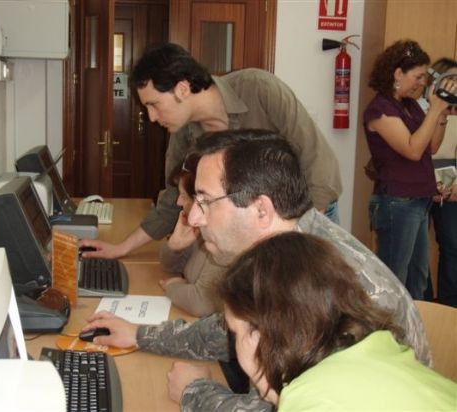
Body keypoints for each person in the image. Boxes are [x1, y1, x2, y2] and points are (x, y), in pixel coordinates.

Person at [82, 130, 432, 411]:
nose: (194, 217)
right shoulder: (288, 255)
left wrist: (195, 393)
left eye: (204, 201)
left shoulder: (318, 285)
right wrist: (141, 336)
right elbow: (227, 331)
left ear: (261, 211)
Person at [79, 42, 342, 260]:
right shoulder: (183, 132)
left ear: (182, 89)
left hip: (309, 215)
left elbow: (322, 170)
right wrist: (121, 248)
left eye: (154, 104)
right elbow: (174, 199)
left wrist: (294, 235)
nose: (151, 117)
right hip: (252, 230)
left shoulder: (260, 90)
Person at [209, 232, 456, 411]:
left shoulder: (312, 398)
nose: (236, 347)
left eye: (235, 333)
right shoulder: (384, 350)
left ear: (260, 333)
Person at [363, 40, 457, 299]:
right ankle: (390, 335)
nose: (421, 83)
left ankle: (413, 335)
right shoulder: (380, 110)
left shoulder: (411, 106)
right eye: (418, 77)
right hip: (396, 202)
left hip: (418, 201)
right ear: (397, 74)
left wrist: (441, 113)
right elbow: (413, 149)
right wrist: (435, 108)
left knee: (418, 278)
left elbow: (432, 147)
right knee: (395, 279)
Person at [159, 155, 226, 317]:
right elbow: (170, 267)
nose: (178, 203)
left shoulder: (224, 238)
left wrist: (172, 286)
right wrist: (174, 245)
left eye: (184, 196)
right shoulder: (201, 228)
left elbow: (202, 303)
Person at [426, 58, 457, 306]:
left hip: (452, 186)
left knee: (452, 245)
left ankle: (449, 306)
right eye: (450, 79)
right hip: (419, 184)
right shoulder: (422, 108)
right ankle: (423, 301)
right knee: (417, 252)